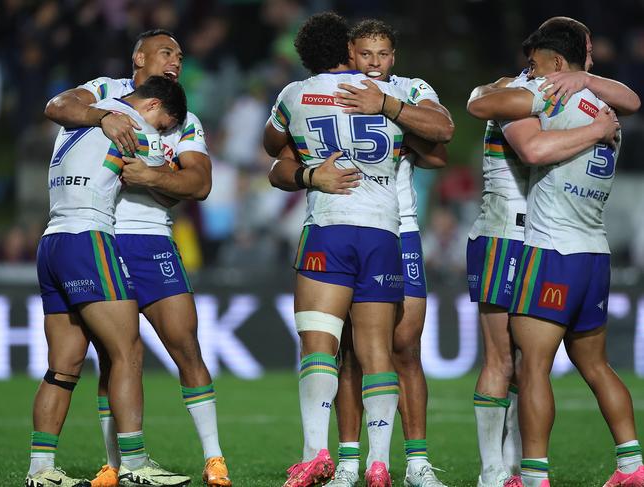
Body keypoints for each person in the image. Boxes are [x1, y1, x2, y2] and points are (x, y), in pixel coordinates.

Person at [270, 18, 453, 487]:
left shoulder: (406, 88)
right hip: (381, 229)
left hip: (395, 226)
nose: (374, 62)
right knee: (359, 350)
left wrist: (388, 108)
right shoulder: (359, 91)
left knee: (402, 345)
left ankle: (412, 460)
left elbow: (440, 145)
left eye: (383, 54)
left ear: (393, 55)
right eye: (365, 53)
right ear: (350, 52)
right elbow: (434, 152)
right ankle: (355, 459)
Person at [43, 30, 230, 487]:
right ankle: (117, 464)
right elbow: (57, 107)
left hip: (150, 240)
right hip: (99, 237)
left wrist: (152, 176)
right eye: (167, 53)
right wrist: (103, 117)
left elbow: (199, 183)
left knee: (185, 347)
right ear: (139, 57)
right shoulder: (104, 90)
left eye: (181, 56)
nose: (176, 62)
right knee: (114, 356)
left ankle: (214, 458)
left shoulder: (183, 118)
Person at [465, 17, 641, 487]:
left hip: (551, 250)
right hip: (596, 253)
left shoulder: (549, 95)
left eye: (536, 66)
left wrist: (513, 86)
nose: (531, 73)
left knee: (532, 367)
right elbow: (633, 98)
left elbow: (484, 107)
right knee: (596, 365)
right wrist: (593, 115)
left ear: (556, 64)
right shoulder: (608, 112)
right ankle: (632, 465)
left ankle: (533, 475)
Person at [27, 75, 189, 487]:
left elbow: (55, 105)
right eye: (166, 124)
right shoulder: (133, 124)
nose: (163, 132)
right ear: (152, 107)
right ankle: (135, 465)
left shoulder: (81, 115)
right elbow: (178, 189)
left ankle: (40, 469)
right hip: (89, 238)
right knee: (127, 351)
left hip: (52, 242)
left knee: (63, 366)